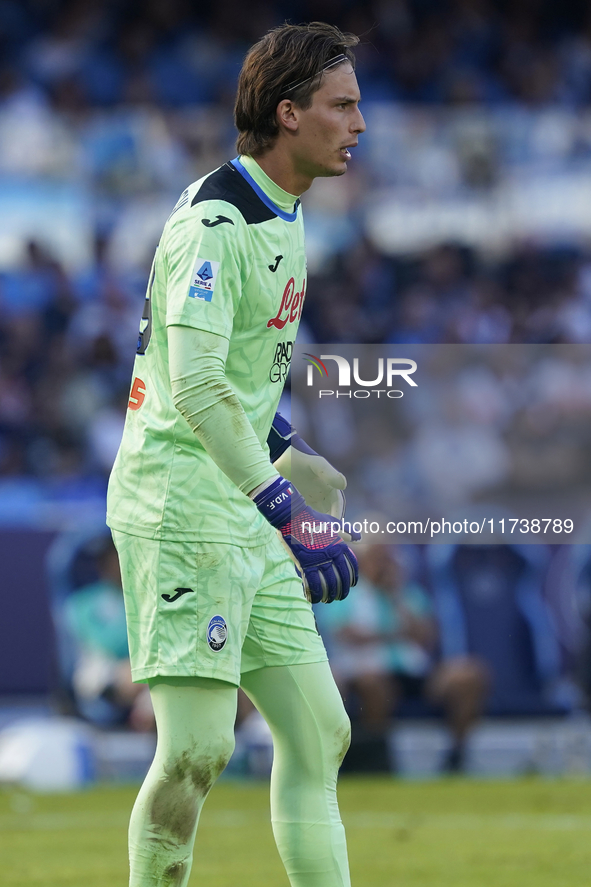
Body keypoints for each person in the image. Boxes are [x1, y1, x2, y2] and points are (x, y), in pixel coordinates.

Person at [106, 21, 365, 887]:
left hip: (244, 501)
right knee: (195, 751)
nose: (358, 123)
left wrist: (296, 452)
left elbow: (243, 382)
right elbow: (196, 384)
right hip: (181, 501)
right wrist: (284, 504)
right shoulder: (216, 223)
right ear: (288, 114)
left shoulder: (285, 215)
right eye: (342, 105)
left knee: (320, 729)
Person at [317, 545, 489, 773]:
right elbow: (347, 634)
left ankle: (455, 757)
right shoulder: (342, 592)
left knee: (469, 675)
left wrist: (395, 597)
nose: (382, 565)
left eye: (386, 559)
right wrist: (397, 633)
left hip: (413, 671)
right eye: (376, 558)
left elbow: (425, 636)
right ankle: (375, 760)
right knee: (373, 685)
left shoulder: (408, 593)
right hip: (366, 671)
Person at [64, 536, 154, 731]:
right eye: (104, 558)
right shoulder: (83, 603)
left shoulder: (152, 595)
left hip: (148, 671)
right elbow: (105, 644)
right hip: (100, 673)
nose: (109, 563)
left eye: (115, 555)